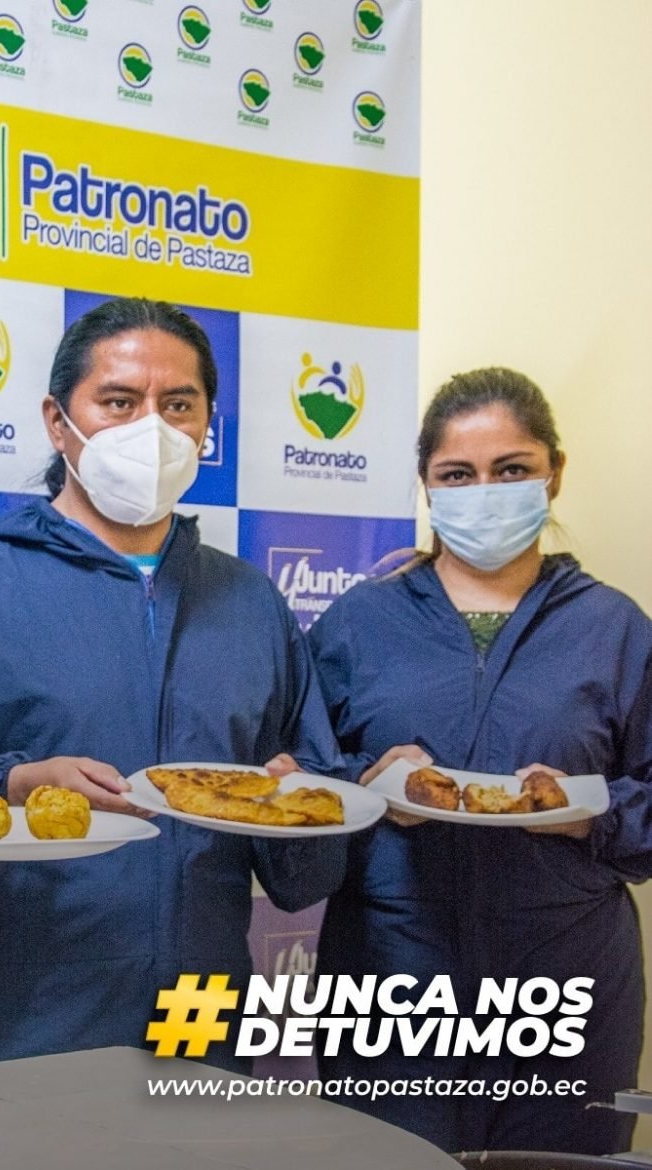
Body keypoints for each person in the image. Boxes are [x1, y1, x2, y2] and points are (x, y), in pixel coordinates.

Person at [0, 297, 347, 1072]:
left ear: (207, 426)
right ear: (57, 421)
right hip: (22, 1020)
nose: (152, 429)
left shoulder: (252, 604)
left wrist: (304, 805)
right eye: (118, 402)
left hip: (203, 1013)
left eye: (178, 405)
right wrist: (14, 784)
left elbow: (304, 866)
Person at [307, 367, 652, 1155]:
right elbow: (297, 780)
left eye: (511, 469)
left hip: (566, 987)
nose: (484, 493)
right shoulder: (359, 622)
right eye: (458, 474)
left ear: (554, 473)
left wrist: (590, 812)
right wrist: (366, 783)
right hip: (389, 975)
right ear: (428, 484)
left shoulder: (615, 629)